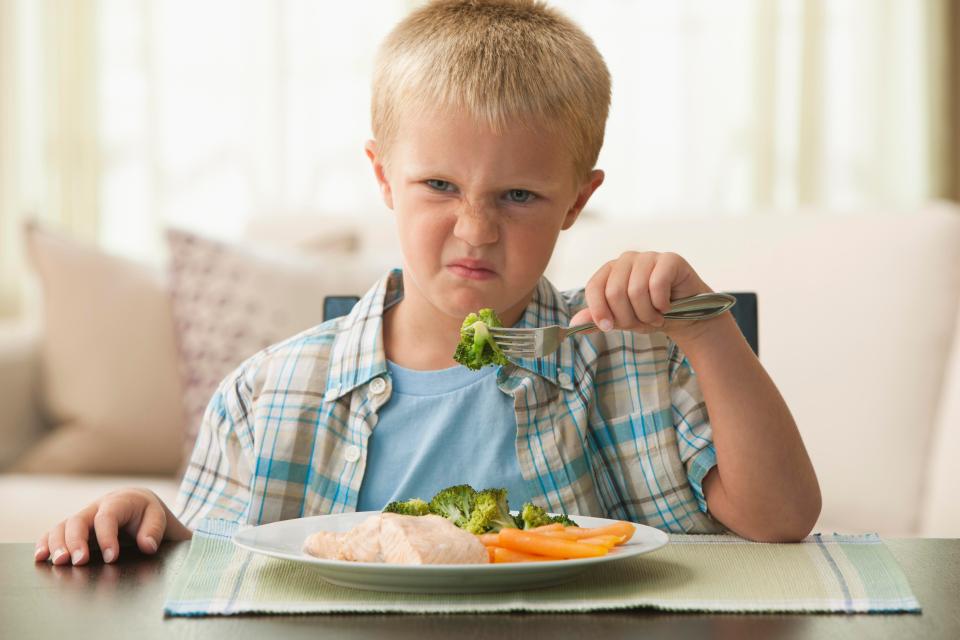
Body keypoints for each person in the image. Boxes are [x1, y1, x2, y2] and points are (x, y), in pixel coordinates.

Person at [35, 0, 820, 568]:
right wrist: (144, 522)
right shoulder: (267, 395)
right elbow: (205, 567)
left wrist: (704, 326)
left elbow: (781, 521)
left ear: (578, 200)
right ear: (383, 177)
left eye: (519, 196)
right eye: (439, 185)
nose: (475, 229)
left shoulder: (632, 365)